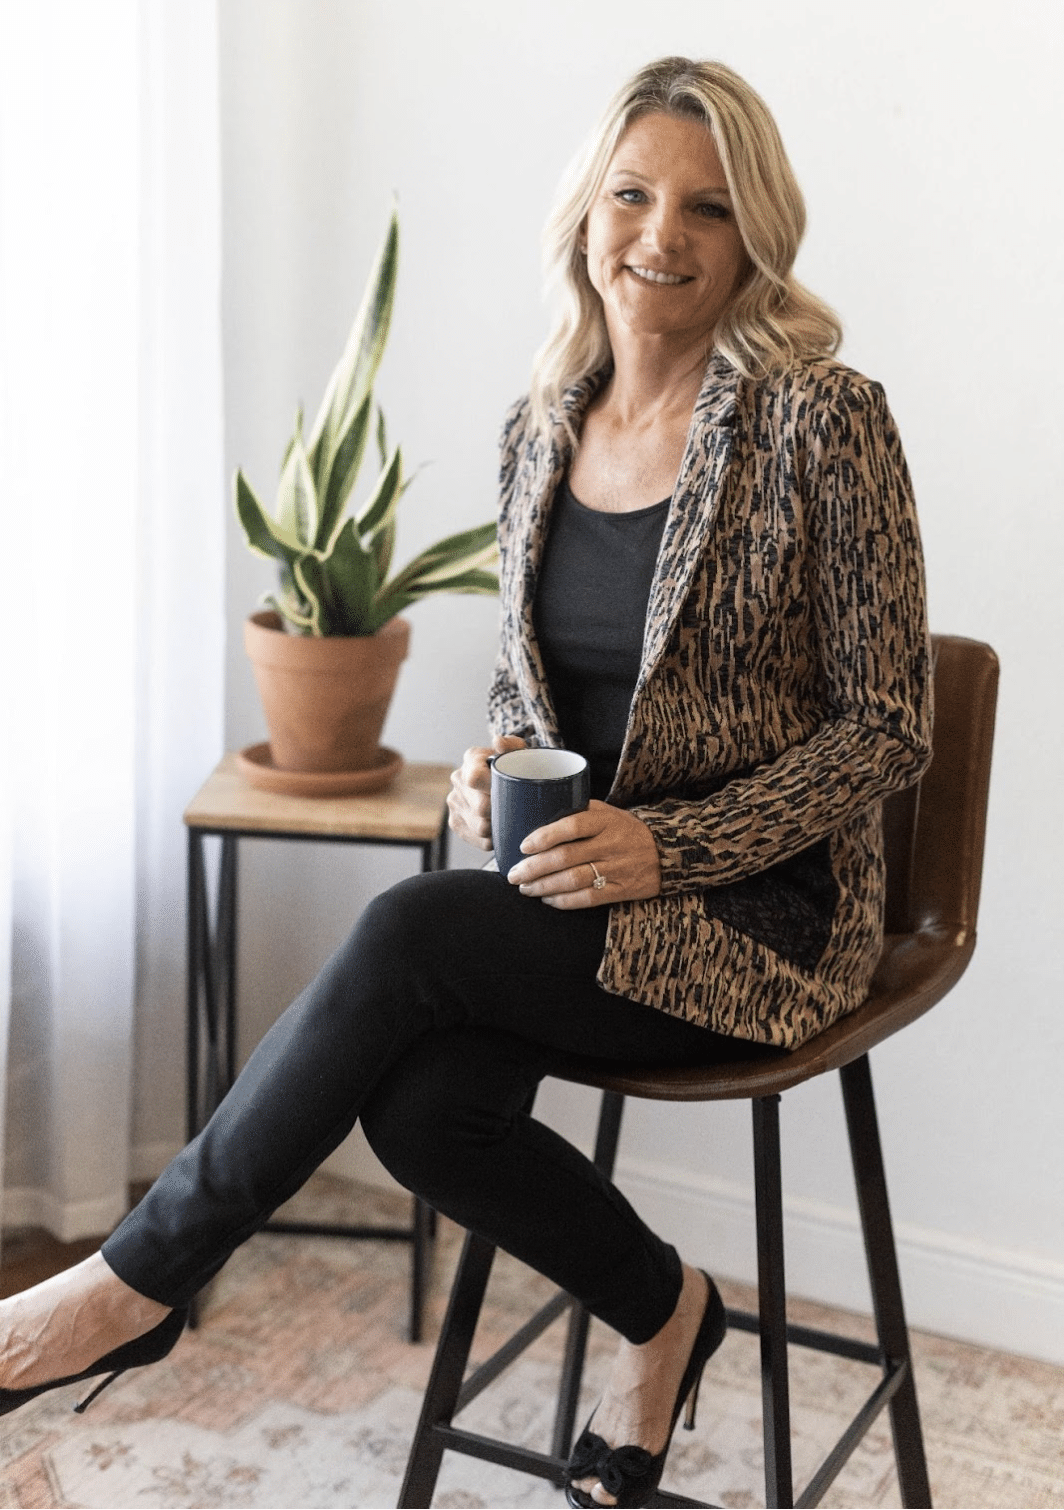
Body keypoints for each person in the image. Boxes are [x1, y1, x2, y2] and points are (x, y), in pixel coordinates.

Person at [0, 56, 931, 1510]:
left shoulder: (826, 420)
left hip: (757, 916)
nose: (660, 236)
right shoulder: (539, 428)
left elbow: (888, 727)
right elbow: (526, 682)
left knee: (409, 931)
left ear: (756, 236)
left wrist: (668, 847)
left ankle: (136, 1279)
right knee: (425, 1111)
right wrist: (492, 763)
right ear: (585, 213)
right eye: (631, 193)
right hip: (566, 891)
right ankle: (665, 1306)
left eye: (707, 205)